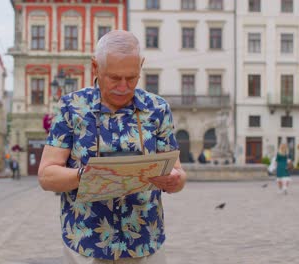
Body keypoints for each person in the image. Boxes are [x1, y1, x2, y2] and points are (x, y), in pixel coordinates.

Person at [38, 30, 187, 263]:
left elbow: (178, 173)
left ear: (141, 66)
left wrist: (175, 180)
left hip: (145, 242)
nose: (124, 87)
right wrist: (85, 176)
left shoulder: (157, 108)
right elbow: (46, 175)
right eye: (114, 78)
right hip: (86, 244)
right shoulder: (72, 107)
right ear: (95, 68)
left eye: (132, 77)